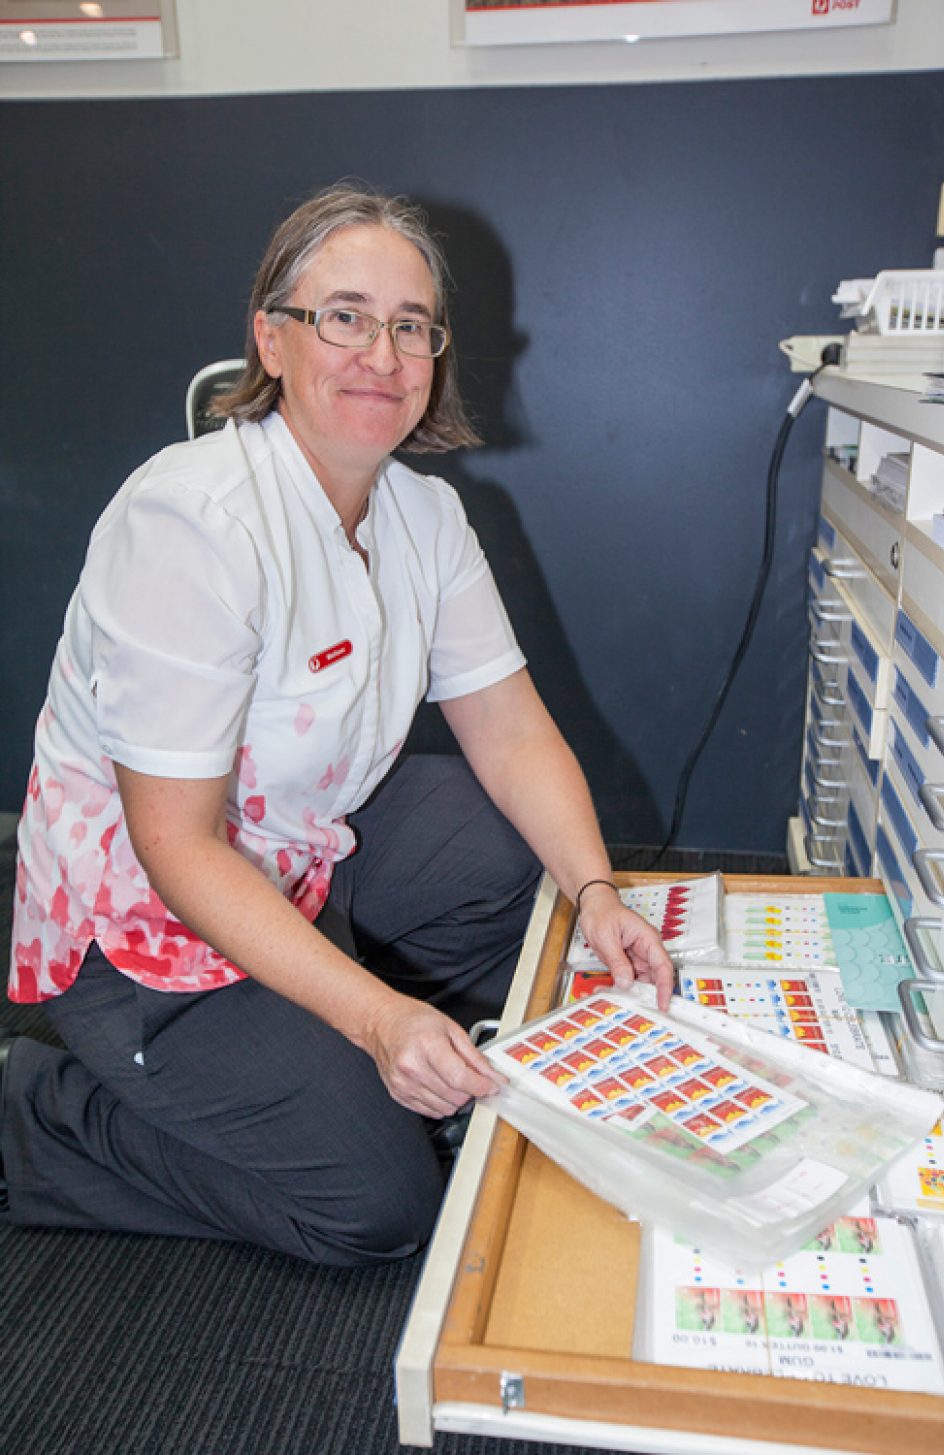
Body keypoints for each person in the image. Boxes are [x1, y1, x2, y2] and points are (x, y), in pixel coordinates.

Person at [1, 183, 672, 1266]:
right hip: (148, 925)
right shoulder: (190, 519)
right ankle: (39, 1109)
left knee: (513, 847)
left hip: (306, 848)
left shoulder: (424, 513)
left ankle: (345, 1034)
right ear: (271, 338)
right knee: (376, 1206)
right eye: (344, 316)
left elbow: (508, 730)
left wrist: (595, 890)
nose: (383, 353)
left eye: (412, 326)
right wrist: (377, 1022)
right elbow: (174, 844)